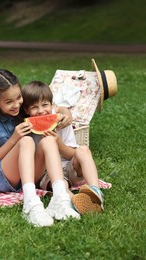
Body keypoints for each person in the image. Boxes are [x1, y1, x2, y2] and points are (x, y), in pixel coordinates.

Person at [0, 69, 80, 227]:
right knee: (26, 141)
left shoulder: (23, 110)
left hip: (26, 177)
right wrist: (14, 138)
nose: (16, 105)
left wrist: (65, 114)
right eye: (9, 102)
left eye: (19, 98)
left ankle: (60, 199)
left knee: (49, 141)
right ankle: (30, 204)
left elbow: (54, 108)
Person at [21, 80, 104, 214]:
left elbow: (72, 154)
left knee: (83, 149)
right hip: (47, 174)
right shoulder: (26, 128)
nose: (41, 111)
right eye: (34, 107)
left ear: (52, 105)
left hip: (70, 168)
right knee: (62, 185)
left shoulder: (62, 122)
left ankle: (96, 193)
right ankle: (74, 201)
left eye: (45, 105)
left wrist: (59, 143)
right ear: (26, 110)